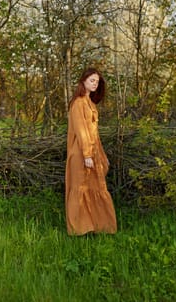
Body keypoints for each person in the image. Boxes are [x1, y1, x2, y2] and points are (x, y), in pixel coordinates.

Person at [65, 68, 117, 236]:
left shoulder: (90, 103)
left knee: (96, 187)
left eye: (97, 81)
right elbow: (81, 131)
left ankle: (97, 227)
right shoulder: (78, 103)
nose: (95, 84)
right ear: (84, 81)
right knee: (80, 188)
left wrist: (102, 155)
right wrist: (87, 155)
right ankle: (79, 229)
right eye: (92, 80)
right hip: (80, 154)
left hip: (92, 153)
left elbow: (94, 134)